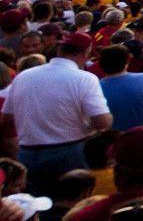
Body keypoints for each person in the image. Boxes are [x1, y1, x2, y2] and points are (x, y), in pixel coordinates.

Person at [7, 34, 112, 192]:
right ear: (86, 53)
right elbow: (103, 122)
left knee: (36, 207)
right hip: (70, 153)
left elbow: (7, 119)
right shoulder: (84, 78)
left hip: (28, 152)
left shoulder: (23, 76)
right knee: (69, 204)